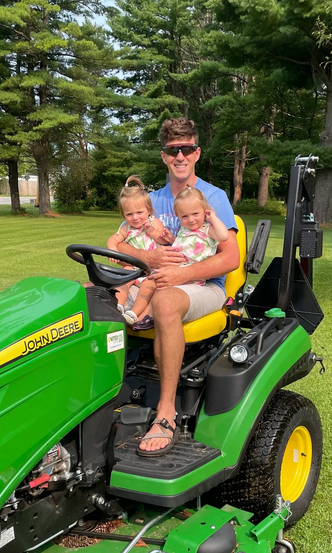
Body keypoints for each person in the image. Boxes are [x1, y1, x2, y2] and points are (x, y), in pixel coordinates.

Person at [112, 117, 239, 457]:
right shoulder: (148, 201)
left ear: (197, 153)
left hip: (202, 285)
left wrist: (180, 275)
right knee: (89, 294)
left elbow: (230, 258)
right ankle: (97, 396)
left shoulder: (213, 197)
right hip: (152, 280)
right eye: (173, 151)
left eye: (186, 149)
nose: (180, 156)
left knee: (165, 300)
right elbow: (118, 245)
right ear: (164, 156)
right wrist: (145, 257)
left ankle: (166, 414)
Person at [107, 176, 168, 326]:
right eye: (129, 214)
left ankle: (134, 313)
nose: (135, 218)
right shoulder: (126, 228)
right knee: (122, 278)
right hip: (133, 267)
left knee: (149, 287)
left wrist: (152, 231)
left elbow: (163, 240)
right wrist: (113, 250)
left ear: (148, 210)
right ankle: (118, 306)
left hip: (152, 269)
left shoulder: (153, 222)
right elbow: (113, 239)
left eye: (139, 212)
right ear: (124, 215)